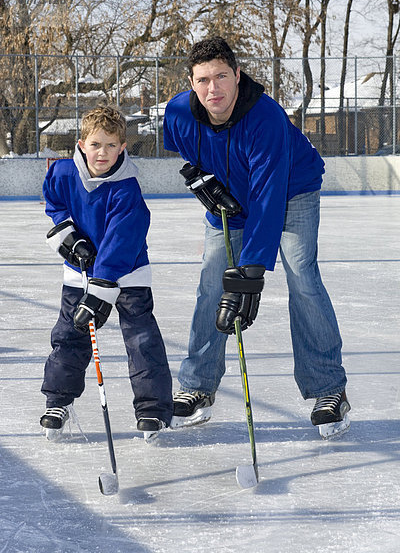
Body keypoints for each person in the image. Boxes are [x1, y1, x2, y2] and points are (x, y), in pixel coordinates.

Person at [163, 36, 350, 439]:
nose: (213, 88)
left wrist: (250, 273)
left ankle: (328, 389)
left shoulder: (265, 118)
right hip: (230, 200)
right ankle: (197, 386)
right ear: (191, 83)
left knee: (301, 275)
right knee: (212, 281)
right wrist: (200, 180)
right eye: (203, 80)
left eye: (221, 77)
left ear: (238, 75)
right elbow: (183, 151)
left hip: (290, 191)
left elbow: (268, 197)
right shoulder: (178, 112)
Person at [40, 104, 173, 442]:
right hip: (80, 271)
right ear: (81, 144)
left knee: (142, 340)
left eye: (112, 146)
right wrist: (68, 236)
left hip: (127, 273)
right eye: (96, 144)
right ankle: (57, 401)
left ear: (123, 147)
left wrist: (99, 290)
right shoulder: (63, 173)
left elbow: (120, 244)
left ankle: (152, 411)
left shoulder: (127, 189)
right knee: (70, 335)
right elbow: (55, 204)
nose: (103, 153)